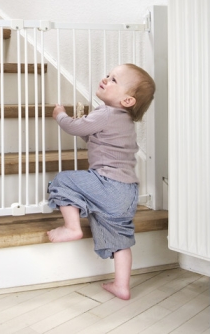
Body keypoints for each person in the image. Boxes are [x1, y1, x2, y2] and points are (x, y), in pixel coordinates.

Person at [47, 63, 156, 300]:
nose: (106, 79)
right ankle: (121, 286)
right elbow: (95, 137)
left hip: (108, 183)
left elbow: (74, 128)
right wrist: (86, 124)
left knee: (63, 180)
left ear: (128, 100)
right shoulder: (124, 121)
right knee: (120, 240)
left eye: (114, 80)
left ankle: (71, 227)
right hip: (127, 193)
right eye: (108, 75)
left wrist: (60, 115)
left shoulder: (106, 113)